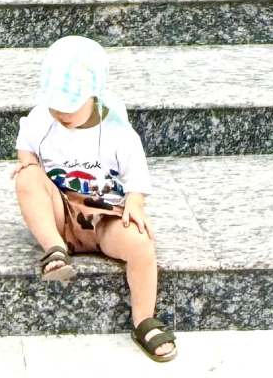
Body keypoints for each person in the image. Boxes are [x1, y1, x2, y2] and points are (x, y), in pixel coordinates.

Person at [12, 35, 177, 363]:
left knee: (142, 243)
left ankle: (144, 319)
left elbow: (136, 177)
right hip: (62, 211)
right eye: (55, 103)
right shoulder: (43, 119)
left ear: (94, 94)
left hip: (104, 215)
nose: (61, 112)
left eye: (70, 104)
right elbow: (26, 141)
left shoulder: (118, 131)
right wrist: (28, 162)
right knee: (26, 177)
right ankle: (54, 249)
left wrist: (135, 202)